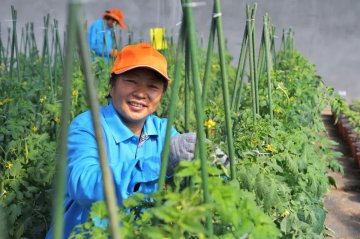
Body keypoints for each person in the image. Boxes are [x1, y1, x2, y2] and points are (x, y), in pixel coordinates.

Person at [45, 43, 204, 239]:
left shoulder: (163, 130)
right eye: (131, 81)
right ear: (112, 86)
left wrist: (210, 164)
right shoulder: (88, 126)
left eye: (153, 86)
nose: (140, 93)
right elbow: (84, 186)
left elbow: (189, 166)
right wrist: (161, 162)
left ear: (161, 95)